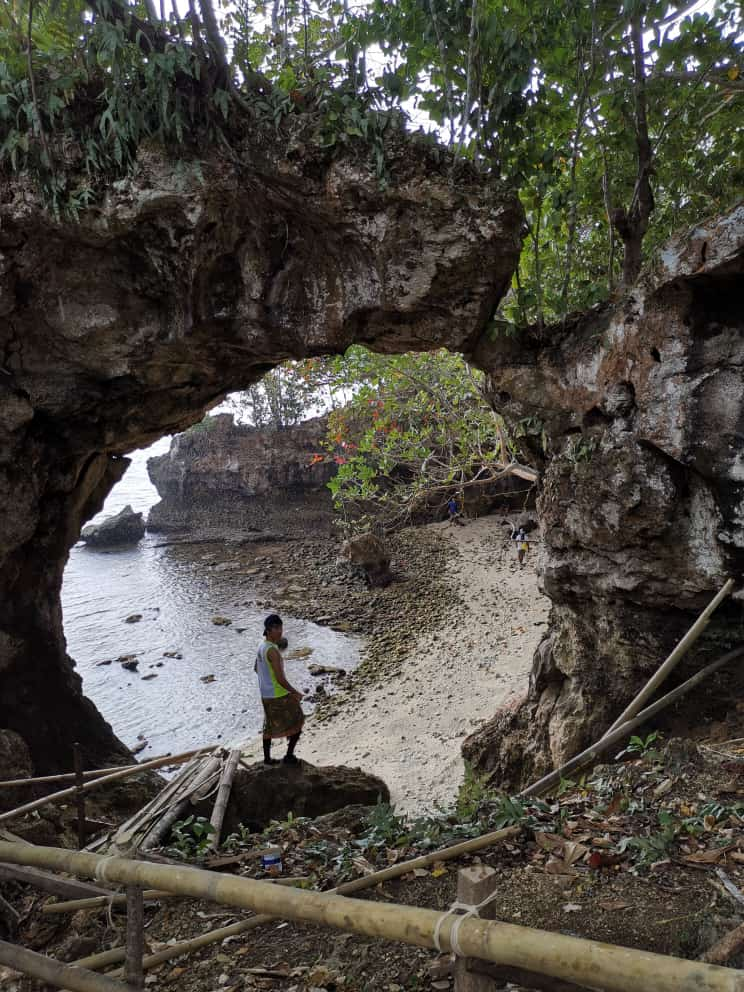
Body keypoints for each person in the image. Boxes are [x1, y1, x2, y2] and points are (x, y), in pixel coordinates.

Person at [255, 614, 305, 766]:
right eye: (276, 628)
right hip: (278, 694)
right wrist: (294, 692)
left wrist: (265, 682)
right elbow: (280, 679)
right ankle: (289, 756)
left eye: (281, 627)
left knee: (269, 725)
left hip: (266, 694)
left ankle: (267, 759)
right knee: (298, 720)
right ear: (268, 630)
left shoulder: (261, 647)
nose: (280, 631)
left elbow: (256, 668)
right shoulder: (273, 651)